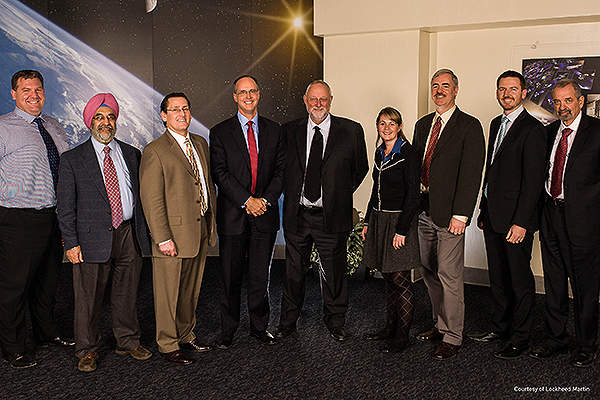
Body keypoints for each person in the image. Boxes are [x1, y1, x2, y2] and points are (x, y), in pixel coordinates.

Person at [56, 93, 153, 372]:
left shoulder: (132, 154)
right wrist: (71, 243)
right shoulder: (73, 159)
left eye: (110, 117)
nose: (105, 122)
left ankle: (128, 341)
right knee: (88, 298)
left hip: (128, 234)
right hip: (90, 239)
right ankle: (87, 349)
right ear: (90, 122)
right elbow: (65, 206)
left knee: (127, 292)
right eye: (99, 117)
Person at [277, 80, 369, 341]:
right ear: (305, 101)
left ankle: (335, 321)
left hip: (331, 216)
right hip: (298, 214)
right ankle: (287, 322)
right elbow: (281, 168)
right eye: (313, 99)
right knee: (293, 272)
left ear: (331, 100)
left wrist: (336, 195)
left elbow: (360, 168)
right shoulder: (289, 130)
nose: (318, 104)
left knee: (334, 272)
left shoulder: (351, 130)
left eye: (323, 99)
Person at [467, 71, 546, 359]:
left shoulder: (533, 129)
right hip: (493, 216)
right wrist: (483, 209)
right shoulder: (495, 123)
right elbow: (492, 171)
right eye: (502, 89)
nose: (506, 94)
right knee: (498, 277)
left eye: (513, 89)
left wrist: (521, 222)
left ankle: (520, 337)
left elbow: (533, 182)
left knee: (519, 280)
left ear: (523, 93)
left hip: (516, 221)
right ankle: (500, 328)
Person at [0, 70, 74, 369]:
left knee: (48, 282)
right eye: (26, 90)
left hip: (52, 216)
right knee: (14, 287)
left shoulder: (53, 126)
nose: (34, 95)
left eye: (38, 89)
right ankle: (13, 346)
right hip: (17, 219)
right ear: (14, 94)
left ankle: (46, 332)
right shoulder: (3, 127)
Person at [140, 92, 217, 365]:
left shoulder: (200, 143)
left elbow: (204, 184)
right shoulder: (155, 151)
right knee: (168, 294)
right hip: (171, 236)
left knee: (189, 291)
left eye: (185, 108)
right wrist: (162, 238)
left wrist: (210, 223)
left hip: (199, 229)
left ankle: (186, 335)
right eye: (174, 110)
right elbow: (151, 199)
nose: (181, 114)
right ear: (164, 116)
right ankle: (167, 344)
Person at [413, 68, 485, 360]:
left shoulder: (469, 125)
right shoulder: (422, 125)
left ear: (456, 90)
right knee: (429, 270)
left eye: (445, 85)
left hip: (451, 215)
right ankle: (439, 324)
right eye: (435, 85)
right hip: (423, 209)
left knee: (449, 274)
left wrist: (462, 215)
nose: (439, 90)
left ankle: (453, 336)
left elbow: (471, 174)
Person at [209, 75, 285, 349]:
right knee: (230, 277)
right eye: (243, 92)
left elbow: (281, 171)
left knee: (260, 276)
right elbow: (220, 173)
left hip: (264, 214)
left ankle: (259, 327)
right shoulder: (220, 132)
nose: (248, 96)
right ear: (235, 97)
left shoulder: (275, 130)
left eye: (252, 91)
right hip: (234, 216)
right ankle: (228, 330)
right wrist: (247, 201)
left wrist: (263, 200)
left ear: (259, 94)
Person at [530, 79, 600, 368]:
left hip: (585, 221)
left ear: (580, 101)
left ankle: (586, 344)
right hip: (551, 215)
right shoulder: (548, 133)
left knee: (585, 285)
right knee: (554, 281)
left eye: (568, 100)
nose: (562, 107)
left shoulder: (596, 132)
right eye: (557, 102)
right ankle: (556, 337)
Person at [362, 107, 420, 353]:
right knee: (387, 276)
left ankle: (402, 336)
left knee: (400, 279)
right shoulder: (379, 152)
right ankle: (390, 327)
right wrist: (367, 221)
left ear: (399, 126)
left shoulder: (408, 153)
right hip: (379, 219)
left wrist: (402, 230)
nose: (386, 128)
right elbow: (375, 189)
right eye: (382, 123)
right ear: (377, 126)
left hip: (399, 221)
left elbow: (413, 196)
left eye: (391, 123)